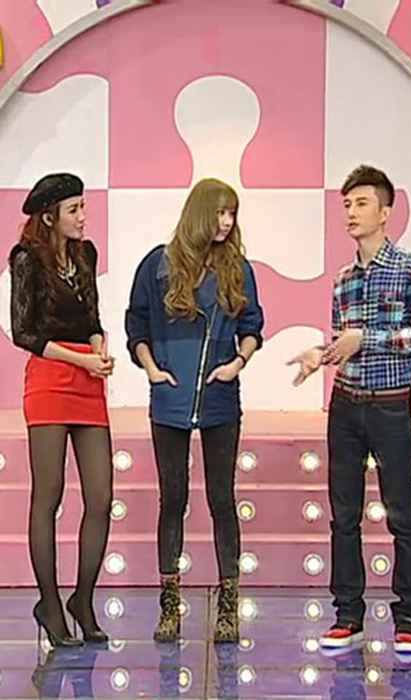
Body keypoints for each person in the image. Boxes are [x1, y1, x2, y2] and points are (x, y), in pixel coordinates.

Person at [288, 165, 411, 653]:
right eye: (347, 205)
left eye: (361, 204)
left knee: (402, 514)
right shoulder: (343, 279)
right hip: (346, 405)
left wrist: (365, 338)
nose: (351, 213)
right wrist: (321, 353)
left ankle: (409, 617)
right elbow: (343, 341)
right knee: (344, 515)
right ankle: (347, 615)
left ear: (385, 212)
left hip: (391, 406)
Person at [125, 178, 264, 643]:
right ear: (200, 213)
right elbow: (136, 322)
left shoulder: (238, 269)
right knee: (174, 499)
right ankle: (169, 606)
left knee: (222, 499)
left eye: (232, 214)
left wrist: (238, 362)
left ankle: (228, 607)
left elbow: (252, 325)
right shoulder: (157, 265)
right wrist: (150, 368)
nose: (226, 222)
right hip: (169, 398)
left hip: (220, 398)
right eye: (220, 212)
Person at [9, 173, 114, 646]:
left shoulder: (85, 255)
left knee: (101, 496)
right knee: (48, 495)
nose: (83, 216)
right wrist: (79, 359)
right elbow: (24, 332)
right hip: (51, 379)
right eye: (74, 209)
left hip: (88, 380)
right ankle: (49, 604)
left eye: (83, 207)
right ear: (49, 216)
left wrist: (99, 347)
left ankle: (83, 599)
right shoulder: (27, 259)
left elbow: (92, 317)